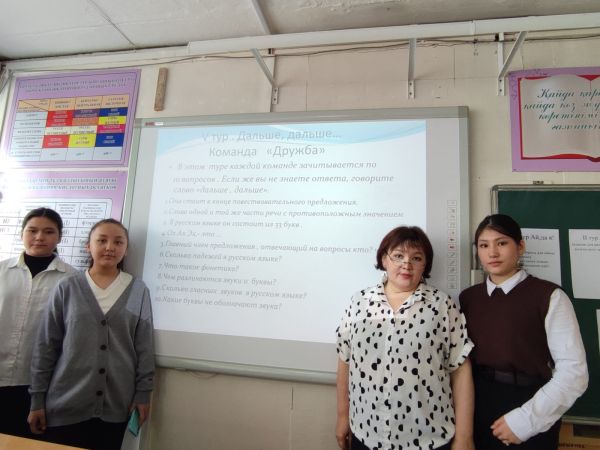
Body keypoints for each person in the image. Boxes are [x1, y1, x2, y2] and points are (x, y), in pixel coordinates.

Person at [336, 226, 475, 450]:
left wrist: (464, 437)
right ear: (384, 259)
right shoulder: (359, 302)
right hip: (366, 432)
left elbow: (460, 369)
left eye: (416, 258)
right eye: (398, 256)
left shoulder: (442, 305)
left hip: (428, 438)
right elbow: (345, 360)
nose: (406, 264)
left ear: (425, 265)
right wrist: (343, 416)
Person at [459, 214, 588, 450]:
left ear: (520, 247)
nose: (492, 253)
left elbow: (574, 373)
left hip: (530, 403)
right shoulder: (468, 298)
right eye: (484, 245)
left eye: (502, 243)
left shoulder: (549, 296)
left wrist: (525, 422)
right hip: (476, 404)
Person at [28, 218, 155, 450]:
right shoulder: (67, 287)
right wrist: (37, 399)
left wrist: (143, 393)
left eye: (118, 242)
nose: (110, 247)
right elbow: (46, 345)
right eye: (102, 240)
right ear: (88, 246)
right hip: (65, 403)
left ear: (126, 249)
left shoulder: (138, 290)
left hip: (117, 405)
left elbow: (144, 346)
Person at [0, 207, 77, 438]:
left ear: (60, 237)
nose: (39, 237)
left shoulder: (73, 279)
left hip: (38, 385)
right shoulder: (2, 271)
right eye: (32, 230)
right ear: (22, 233)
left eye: (49, 232)